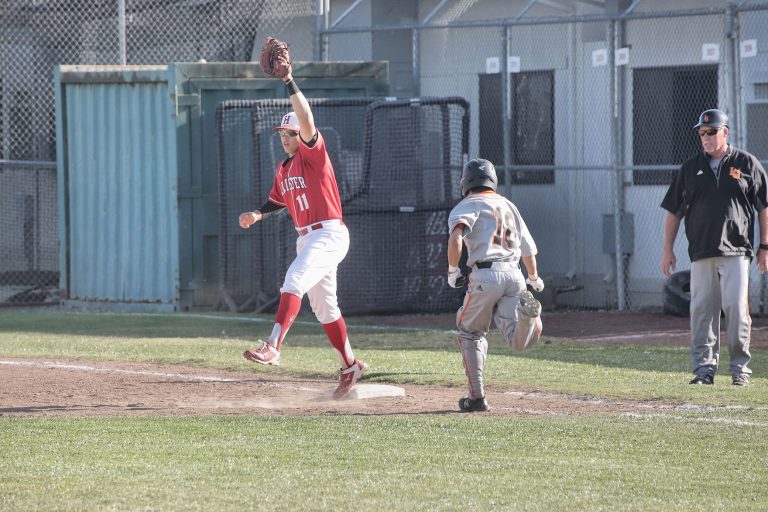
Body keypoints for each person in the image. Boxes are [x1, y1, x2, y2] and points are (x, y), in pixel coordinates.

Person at [238, 58, 366, 400]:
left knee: (293, 281)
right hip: (307, 238)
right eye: (281, 133)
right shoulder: (283, 168)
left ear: (301, 135)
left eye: (290, 133)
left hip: (328, 234)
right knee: (325, 308)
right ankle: (350, 364)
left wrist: (289, 81)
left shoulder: (313, 155)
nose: (284, 137)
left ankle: (273, 346)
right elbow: (277, 201)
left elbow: (307, 118)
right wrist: (257, 214)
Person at [660, 108, 768, 387]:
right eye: (701, 133)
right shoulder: (690, 168)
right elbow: (673, 211)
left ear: (725, 133)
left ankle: (740, 370)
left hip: (737, 250)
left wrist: (765, 246)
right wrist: (667, 249)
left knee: (736, 309)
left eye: (711, 132)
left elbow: (764, 207)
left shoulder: (747, 163)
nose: (705, 137)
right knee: (702, 311)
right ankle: (704, 370)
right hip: (701, 251)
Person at [447, 158, 545, 412]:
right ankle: (527, 315)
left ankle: (477, 397)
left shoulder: (465, 205)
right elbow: (527, 249)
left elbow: (456, 237)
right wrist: (533, 278)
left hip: (485, 275)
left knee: (469, 331)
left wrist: (452, 270)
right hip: (514, 274)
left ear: (466, 182)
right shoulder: (509, 205)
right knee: (518, 342)